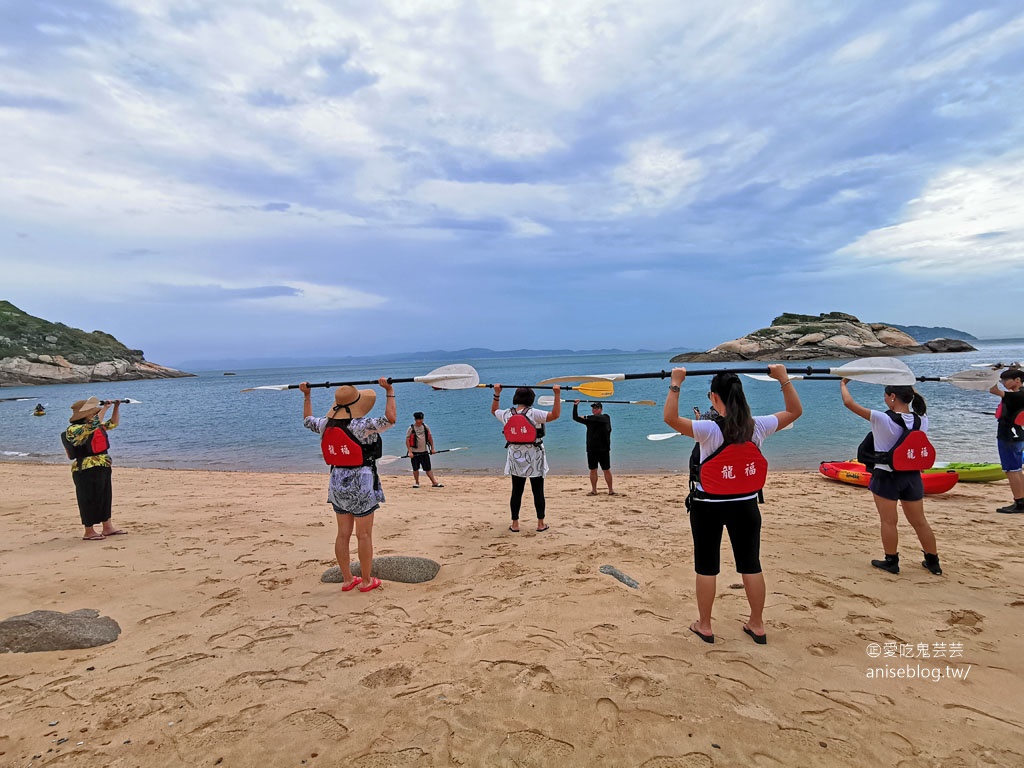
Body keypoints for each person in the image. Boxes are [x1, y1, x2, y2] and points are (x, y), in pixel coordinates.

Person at [664, 365, 802, 645]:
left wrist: (676, 383)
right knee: (751, 565)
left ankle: (704, 625)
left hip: (707, 507)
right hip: (746, 507)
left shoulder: (708, 430)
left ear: (714, 398)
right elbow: (794, 411)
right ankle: (758, 624)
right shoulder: (758, 425)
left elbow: (670, 418)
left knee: (706, 566)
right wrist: (783, 378)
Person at [300, 378, 396, 593]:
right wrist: (389, 391)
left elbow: (307, 420)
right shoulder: (361, 425)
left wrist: (307, 395)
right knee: (363, 535)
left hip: (336, 481)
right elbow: (390, 418)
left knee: (342, 533)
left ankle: (346, 579)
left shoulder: (325, 424)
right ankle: (366, 581)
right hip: (361, 481)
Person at [840, 380, 942, 576]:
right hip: (912, 477)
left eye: (886, 396)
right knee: (920, 521)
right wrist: (906, 381)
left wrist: (843, 383)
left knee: (888, 521)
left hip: (886, 476)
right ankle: (933, 561)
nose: (885, 399)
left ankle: (891, 561)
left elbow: (849, 403)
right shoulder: (922, 419)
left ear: (892, 397)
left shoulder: (881, 419)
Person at [490, 384, 561, 532]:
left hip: (515, 457)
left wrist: (497, 393)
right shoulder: (534, 413)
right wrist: (557, 394)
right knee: (538, 490)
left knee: (516, 491)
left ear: (516, 398)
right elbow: (555, 415)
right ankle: (540, 524)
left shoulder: (507, 414)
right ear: (531, 399)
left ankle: (515, 524)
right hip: (535, 457)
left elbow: (494, 410)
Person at [64, 397, 126, 541]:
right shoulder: (74, 429)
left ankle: (107, 526)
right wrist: (105, 408)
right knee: (88, 498)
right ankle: (89, 531)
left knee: (105, 496)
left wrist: (116, 407)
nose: (94, 415)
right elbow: (90, 427)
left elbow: (113, 423)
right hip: (85, 468)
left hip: (102, 463)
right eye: (92, 413)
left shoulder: (95, 425)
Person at [989, 368, 1024, 513]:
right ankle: (1022, 500)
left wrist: (992, 374)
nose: (1003, 383)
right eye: (1001, 380)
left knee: (1011, 470)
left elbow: (992, 389)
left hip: (1008, 436)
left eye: (1005, 380)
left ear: (1017, 380)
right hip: (1018, 435)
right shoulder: (1021, 394)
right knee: (1017, 469)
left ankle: (1019, 502)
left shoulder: (1016, 396)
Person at [572, 400, 615, 495]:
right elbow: (575, 417)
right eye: (593, 408)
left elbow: (598, 419)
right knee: (593, 469)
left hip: (604, 449)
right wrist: (575, 405)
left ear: (601, 409)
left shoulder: (606, 417)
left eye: (596, 408)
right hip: (592, 449)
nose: (594, 410)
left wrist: (586, 417)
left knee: (606, 469)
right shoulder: (590, 421)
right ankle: (594, 490)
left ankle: (611, 490)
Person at [405, 411, 444, 489]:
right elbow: (407, 440)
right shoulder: (411, 428)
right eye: (419, 419)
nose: (421, 421)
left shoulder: (425, 427)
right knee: (415, 468)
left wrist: (432, 448)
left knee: (428, 468)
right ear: (415, 420)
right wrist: (409, 451)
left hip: (424, 452)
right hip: (414, 452)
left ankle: (434, 482)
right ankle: (417, 482)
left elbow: (430, 438)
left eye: (422, 419)